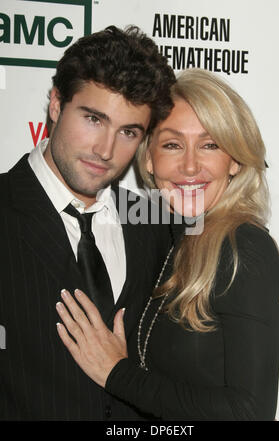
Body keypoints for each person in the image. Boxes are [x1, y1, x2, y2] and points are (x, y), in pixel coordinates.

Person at [56, 68, 279, 421]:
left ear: (236, 161)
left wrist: (116, 373)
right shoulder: (172, 224)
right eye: (172, 144)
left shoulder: (243, 246)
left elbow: (249, 412)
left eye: (210, 145)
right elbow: (95, 199)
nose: (190, 165)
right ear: (149, 157)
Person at [0, 25, 176, 420]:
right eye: (94, 119)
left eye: (128, 131)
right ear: (56, 104)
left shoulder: (156, 221)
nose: (106, 150)